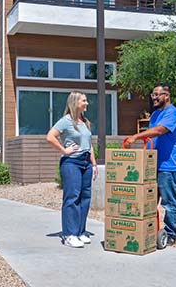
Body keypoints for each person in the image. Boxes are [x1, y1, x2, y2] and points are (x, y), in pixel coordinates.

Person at [127, 83, 176, 245]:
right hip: (153, 165)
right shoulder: (155, 115)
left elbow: (159, 131)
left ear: (166, 95)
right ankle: (150, 230)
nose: (154, 98)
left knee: (168, 202)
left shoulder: (173, 113)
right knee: (150, 201)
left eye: (157, 94)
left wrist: (136, 136)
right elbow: (151, 139)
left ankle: (171, 234)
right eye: (152, 95)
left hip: (168, 165)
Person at [46, 91, 98, 249]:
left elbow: (89, 144)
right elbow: (50, 136)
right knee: (72, 197)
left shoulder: (84, 121)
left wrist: (94, 164)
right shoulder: (66, 121)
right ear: (75, 103)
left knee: (85, 198)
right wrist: (64, 150)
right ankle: (69, 234)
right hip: (71, 163)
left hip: (85, 163)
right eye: (84, 100)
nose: (87, 103)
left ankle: (80, 231)